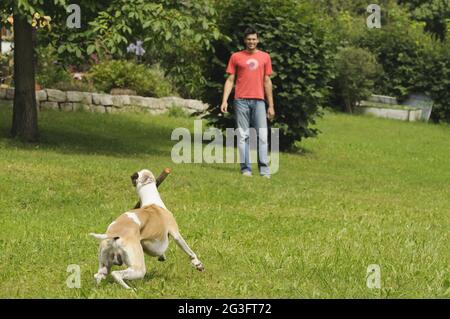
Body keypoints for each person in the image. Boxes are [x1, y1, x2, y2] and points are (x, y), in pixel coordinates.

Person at [220, 27, 275, 178]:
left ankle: (264, 170)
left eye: (254, 39)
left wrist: (271, 106)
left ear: (258, 40)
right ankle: (246, 169)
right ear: (245, 40)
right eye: (249, 39)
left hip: (259, 101)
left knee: (262, 135)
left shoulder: (265, 57)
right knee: (243, 136)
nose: (251, 42)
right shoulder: (236, 57)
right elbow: (230, 80)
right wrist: (224, 100)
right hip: (240, 101)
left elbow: (267, 81)